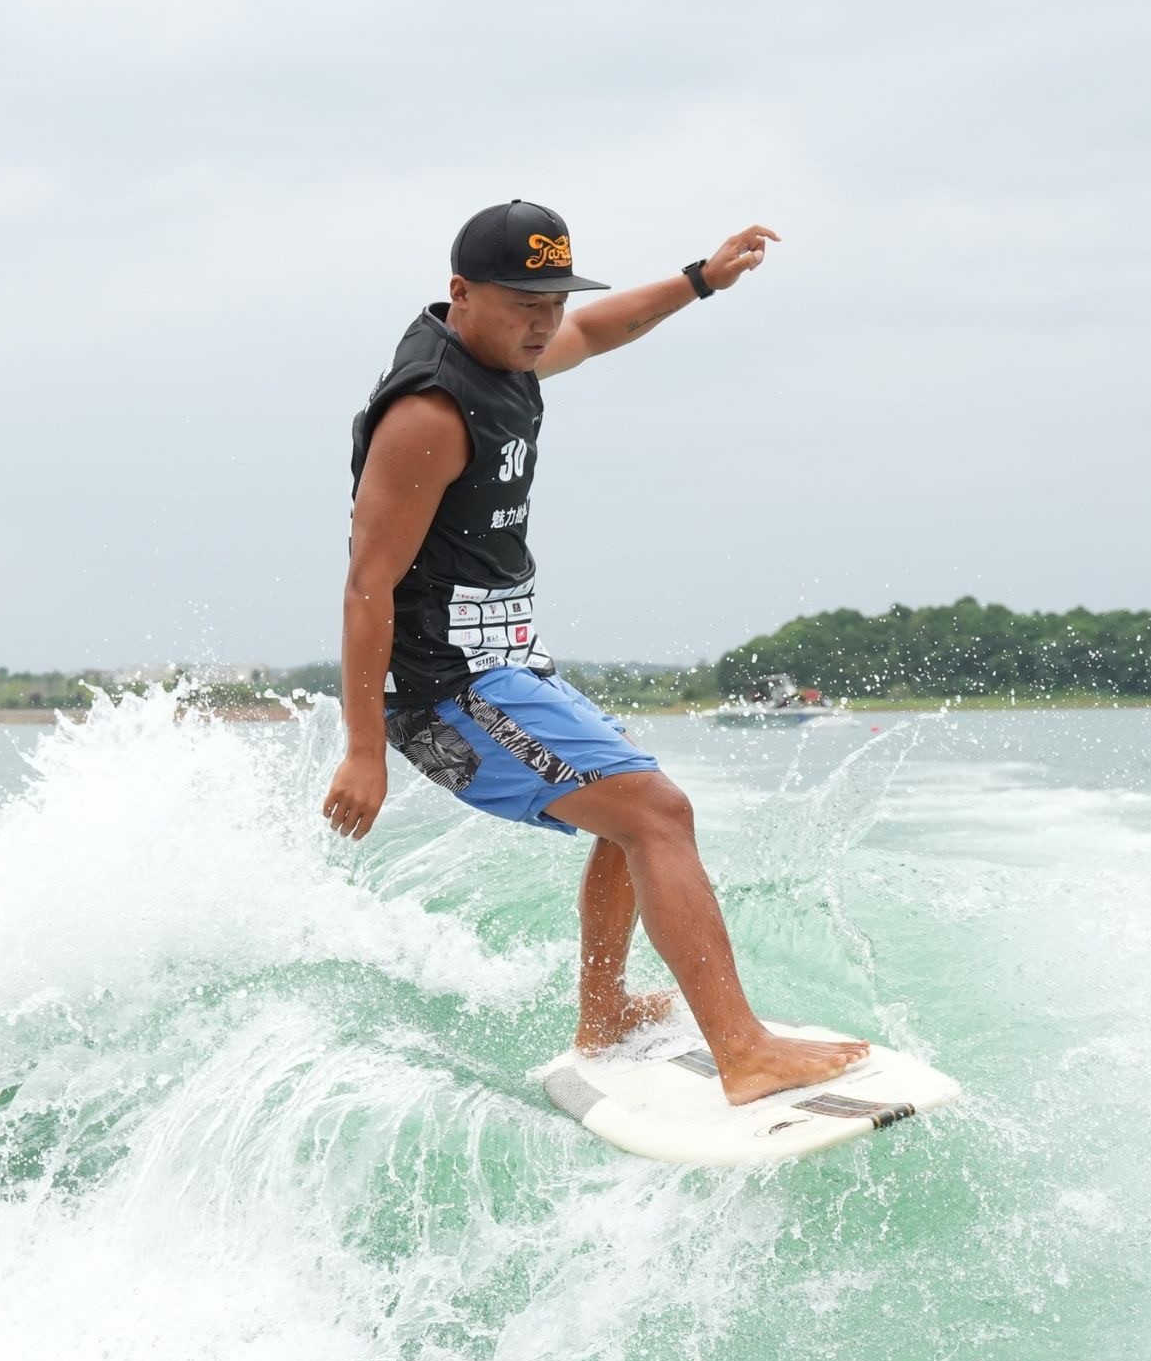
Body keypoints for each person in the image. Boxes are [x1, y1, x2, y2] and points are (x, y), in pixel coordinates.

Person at [322, 200, 869, 1106]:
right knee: (658, 813)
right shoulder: (428, 412)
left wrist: (701, 278)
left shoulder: (507, 357)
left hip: (506, 666)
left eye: (553, 299)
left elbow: (598, 330)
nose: (543, 322)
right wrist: (364, 749)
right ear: (461, 294)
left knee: (631, 801)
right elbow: (366, 586)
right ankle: (744, 1053)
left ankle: (607, 1013)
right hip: (446, 692)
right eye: (521, 301)